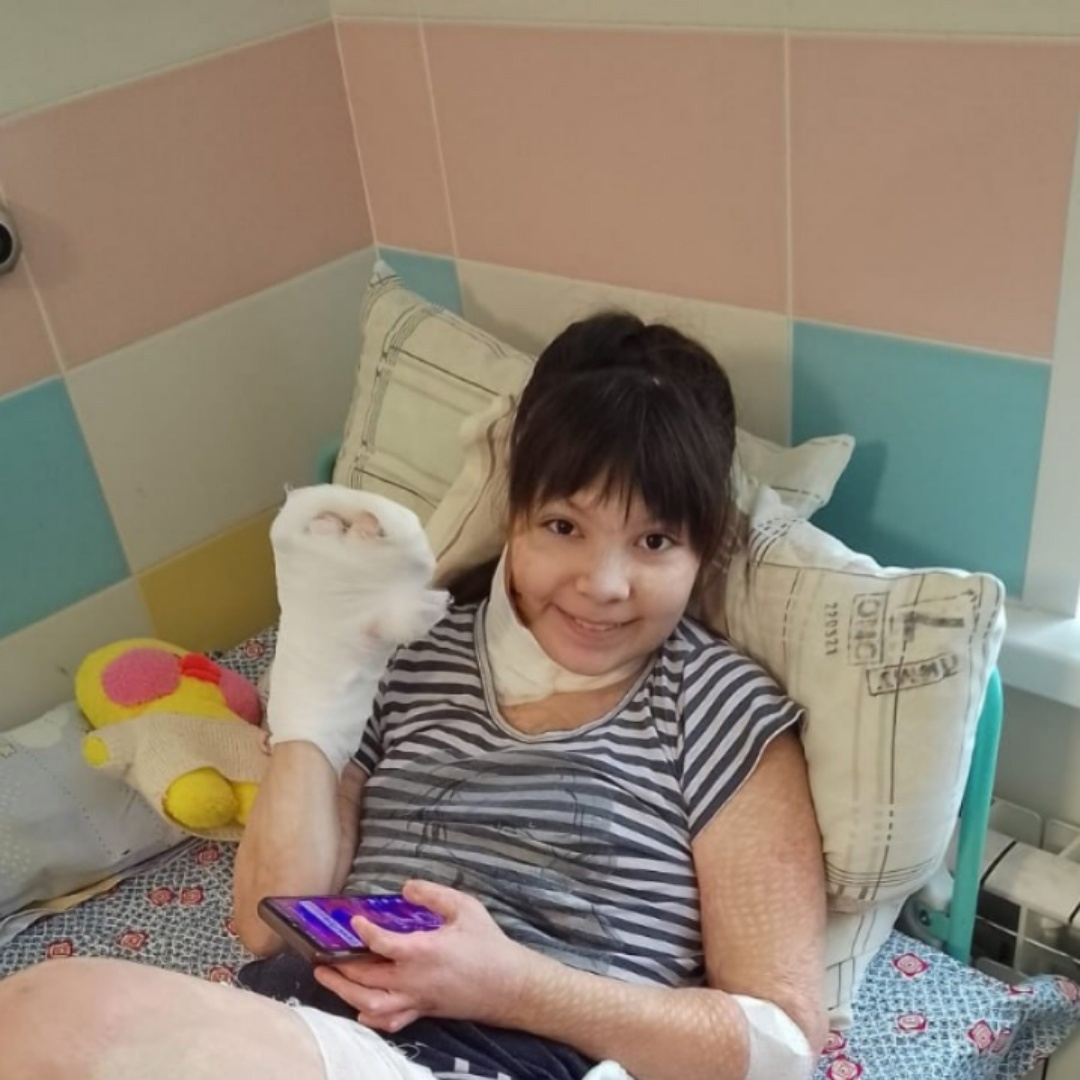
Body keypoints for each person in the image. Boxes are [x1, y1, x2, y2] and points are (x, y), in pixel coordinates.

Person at [0, 313, 826, 1080]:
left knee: (65, 1011)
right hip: (310, 1028)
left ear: (704, 550)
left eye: (654, 541)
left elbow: (782, 1047)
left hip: (514, 1062)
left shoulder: (719, 707)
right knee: (36, 1025)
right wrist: (317, 683)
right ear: (513, 514)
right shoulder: (406, 653)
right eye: (564, 527)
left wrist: (511, 985)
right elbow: (266, 920)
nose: (604, 584)